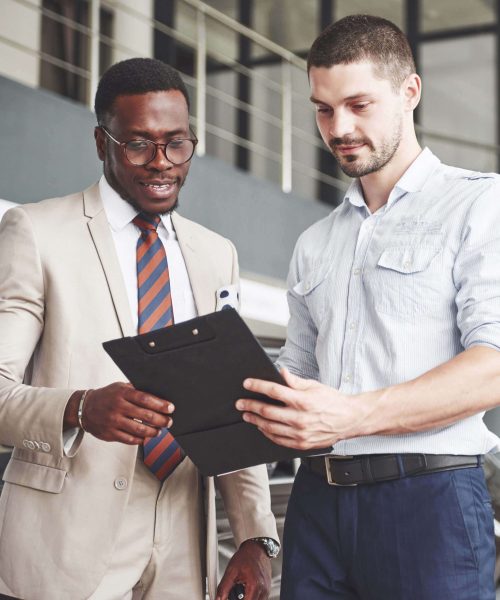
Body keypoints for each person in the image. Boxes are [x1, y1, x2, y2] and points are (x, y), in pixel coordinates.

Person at [235, 14, 500, 600]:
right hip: (317, 504)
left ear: (410, 92)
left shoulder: (481, 204)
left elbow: (495, 364)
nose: (339, 127)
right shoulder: (315, 242)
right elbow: (298, 373)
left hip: (429, 505)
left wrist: (350, 416)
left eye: (358, 104)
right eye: (323, 109)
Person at [0, 58, 278, 600]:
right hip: (64, 547)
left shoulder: (216, 254)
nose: (162, 163)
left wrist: (254, 538)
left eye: (177, 143)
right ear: (101, 143)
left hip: (183, 545)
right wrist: (79, 407)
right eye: (138, 144)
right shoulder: (36, 233)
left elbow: (236, 404)